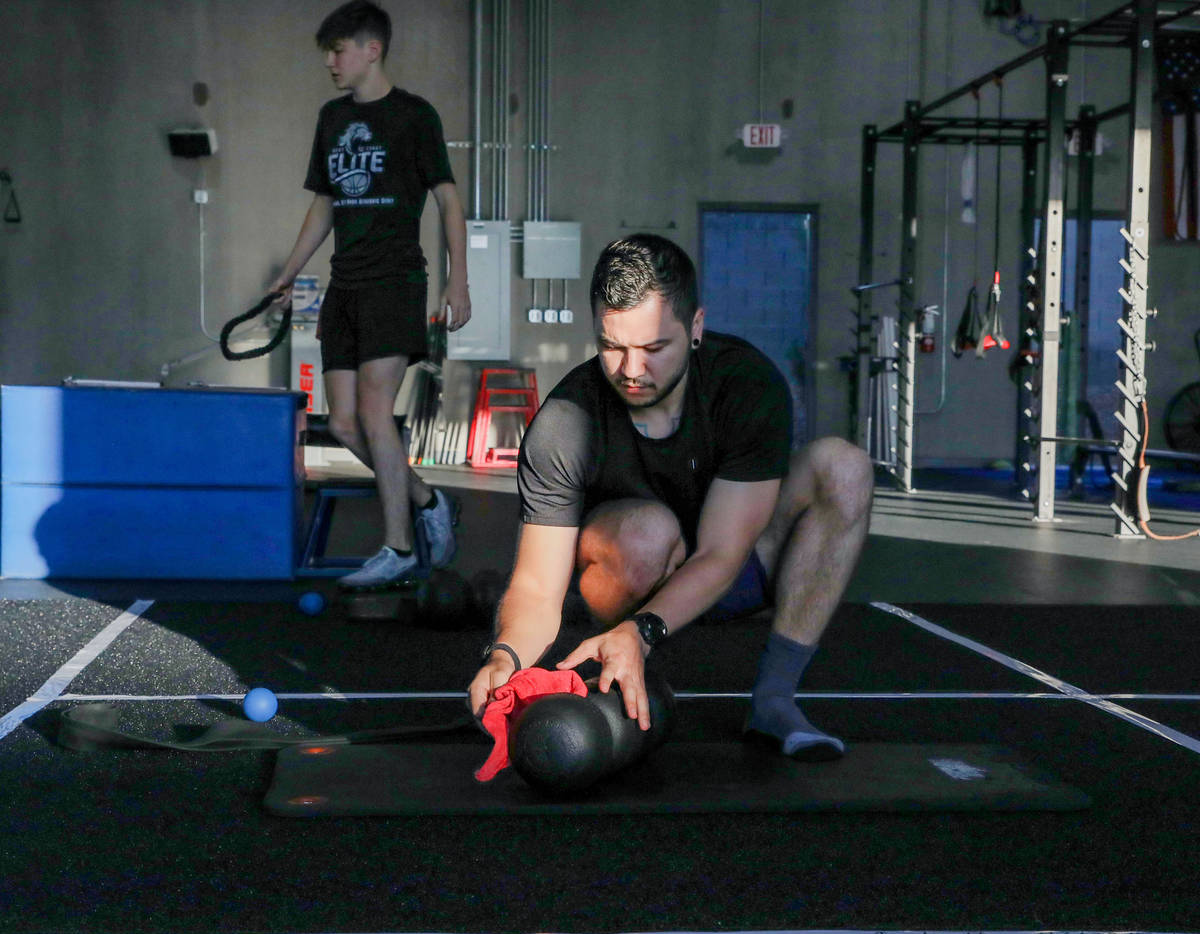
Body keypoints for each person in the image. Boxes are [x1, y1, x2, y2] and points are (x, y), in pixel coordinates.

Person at [467, 234, 874, 760]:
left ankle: (774, 702)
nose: (632, 370)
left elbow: (722, 553)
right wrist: (505, 657)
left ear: (696, 328)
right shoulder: (566, 422)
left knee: (843, 466)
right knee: (646, 532)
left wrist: (646, 631)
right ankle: (609, 663)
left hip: (730, 570)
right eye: (612, 347)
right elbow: (538, 585)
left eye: (655, 349)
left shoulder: (746, 385)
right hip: (627, 579)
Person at [269, 0, 470, 588]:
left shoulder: (414, 116)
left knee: (377, 415)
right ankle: (430, 501)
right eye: (328, 52)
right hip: (346, 284)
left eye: (338, 50)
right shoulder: (331, 118)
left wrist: (459, 277)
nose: (330, 62)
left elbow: (449, 199)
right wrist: (290, 269)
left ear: (371, 49)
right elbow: (324, 203)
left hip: (396, 280)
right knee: (350, 424)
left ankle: (399, 546)